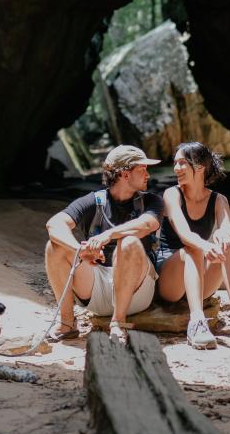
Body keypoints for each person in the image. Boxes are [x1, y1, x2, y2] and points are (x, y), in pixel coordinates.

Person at [44, 144, 162, 345]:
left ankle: (118, 323)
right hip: (96, 288)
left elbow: (148, 224)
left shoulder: (151, 201)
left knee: (129, 242)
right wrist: (80, 250)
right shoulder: (93, 201)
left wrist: (108, 235)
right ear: (125, 174)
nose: (148, 175)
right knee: (53, 247)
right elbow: (54, 223)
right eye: (142, 169)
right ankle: (67, 323)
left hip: (137, 290)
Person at [155, 140, 230, 350]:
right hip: (171, 278)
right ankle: (197, 322)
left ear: (200, 167)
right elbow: (185, 234)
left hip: (199, 279)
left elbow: (227, 230)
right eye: (175, 163)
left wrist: (222, 235)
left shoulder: (218, 200)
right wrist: (206, 246)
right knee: (193, 248)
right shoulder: (172, 195)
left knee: (227, 246)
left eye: (182, 163)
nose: (176, 168)